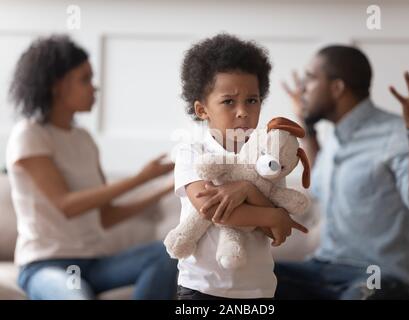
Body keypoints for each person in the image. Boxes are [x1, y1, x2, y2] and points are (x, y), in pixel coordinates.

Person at [6, 35, 178, 300]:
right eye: (84, 79)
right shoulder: (30, 135)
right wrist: (142, 177)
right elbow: (67, 205)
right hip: (45, 264)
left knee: (166, 254)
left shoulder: (84, 140)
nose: (94, 88)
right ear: (56, 85)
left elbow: (105, 216)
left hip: (95, 263)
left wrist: (167, 187)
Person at [275, 45, 409, 299]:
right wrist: (307, 125)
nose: (302, 89)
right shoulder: (335, 136)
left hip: (381, 276)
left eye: (310, 78)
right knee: (251, 277)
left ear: (337, 88)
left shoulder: (397, 133)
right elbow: (318, 185)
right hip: (324, 268)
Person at [172, 33, 307, 300]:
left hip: (258, 289)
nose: (243, 111)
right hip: (200, 287)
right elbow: (211, 209)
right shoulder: (192, 152)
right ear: (202, 110)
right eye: (229, 101)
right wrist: (272, 215)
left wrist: (246, 189)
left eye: (252, 100)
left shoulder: (269, 158)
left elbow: (276, 230)